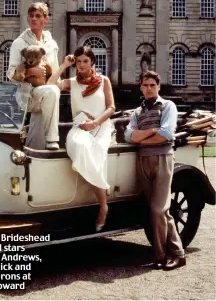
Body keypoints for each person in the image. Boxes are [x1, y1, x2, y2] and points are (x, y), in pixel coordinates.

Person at [47, 46, 115, 231]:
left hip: (100, 126)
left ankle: (102, 206)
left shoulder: (104, 81)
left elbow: (111, 108)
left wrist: (95, 124)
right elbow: (51, 84)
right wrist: (64, 65)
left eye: (86, 61)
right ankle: (104, 193)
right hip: (79, 126)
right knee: (79, 146)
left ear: (92, 62)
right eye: (78, 61)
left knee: (97, 151)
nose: (82, 65)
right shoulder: (72, 82)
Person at [124, 71, 186, 271]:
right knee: (156, 211)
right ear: (141, 87)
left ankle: (174, 253)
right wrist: (152, 131)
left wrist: (142, 138)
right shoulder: (137, 112)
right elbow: (128, 136)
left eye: (152, 85)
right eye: (145, 85)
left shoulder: (168, 106)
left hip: (162, 158)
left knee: (160, 209)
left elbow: (166, 134)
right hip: (143, 160)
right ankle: (163, 255)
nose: (149, 88)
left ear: (158, 86)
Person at [7, 2, 60, 151]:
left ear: (46, 19)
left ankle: (35, 154)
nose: (34, 19)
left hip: (46, 93)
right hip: (27, 95)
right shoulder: (19, 43)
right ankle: (52, 139)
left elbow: (55, 73)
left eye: (38, 16)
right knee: (52, 92)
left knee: (36, 142)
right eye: (31, 16)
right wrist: (31, 72)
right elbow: (10, 73)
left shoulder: (52, 44)